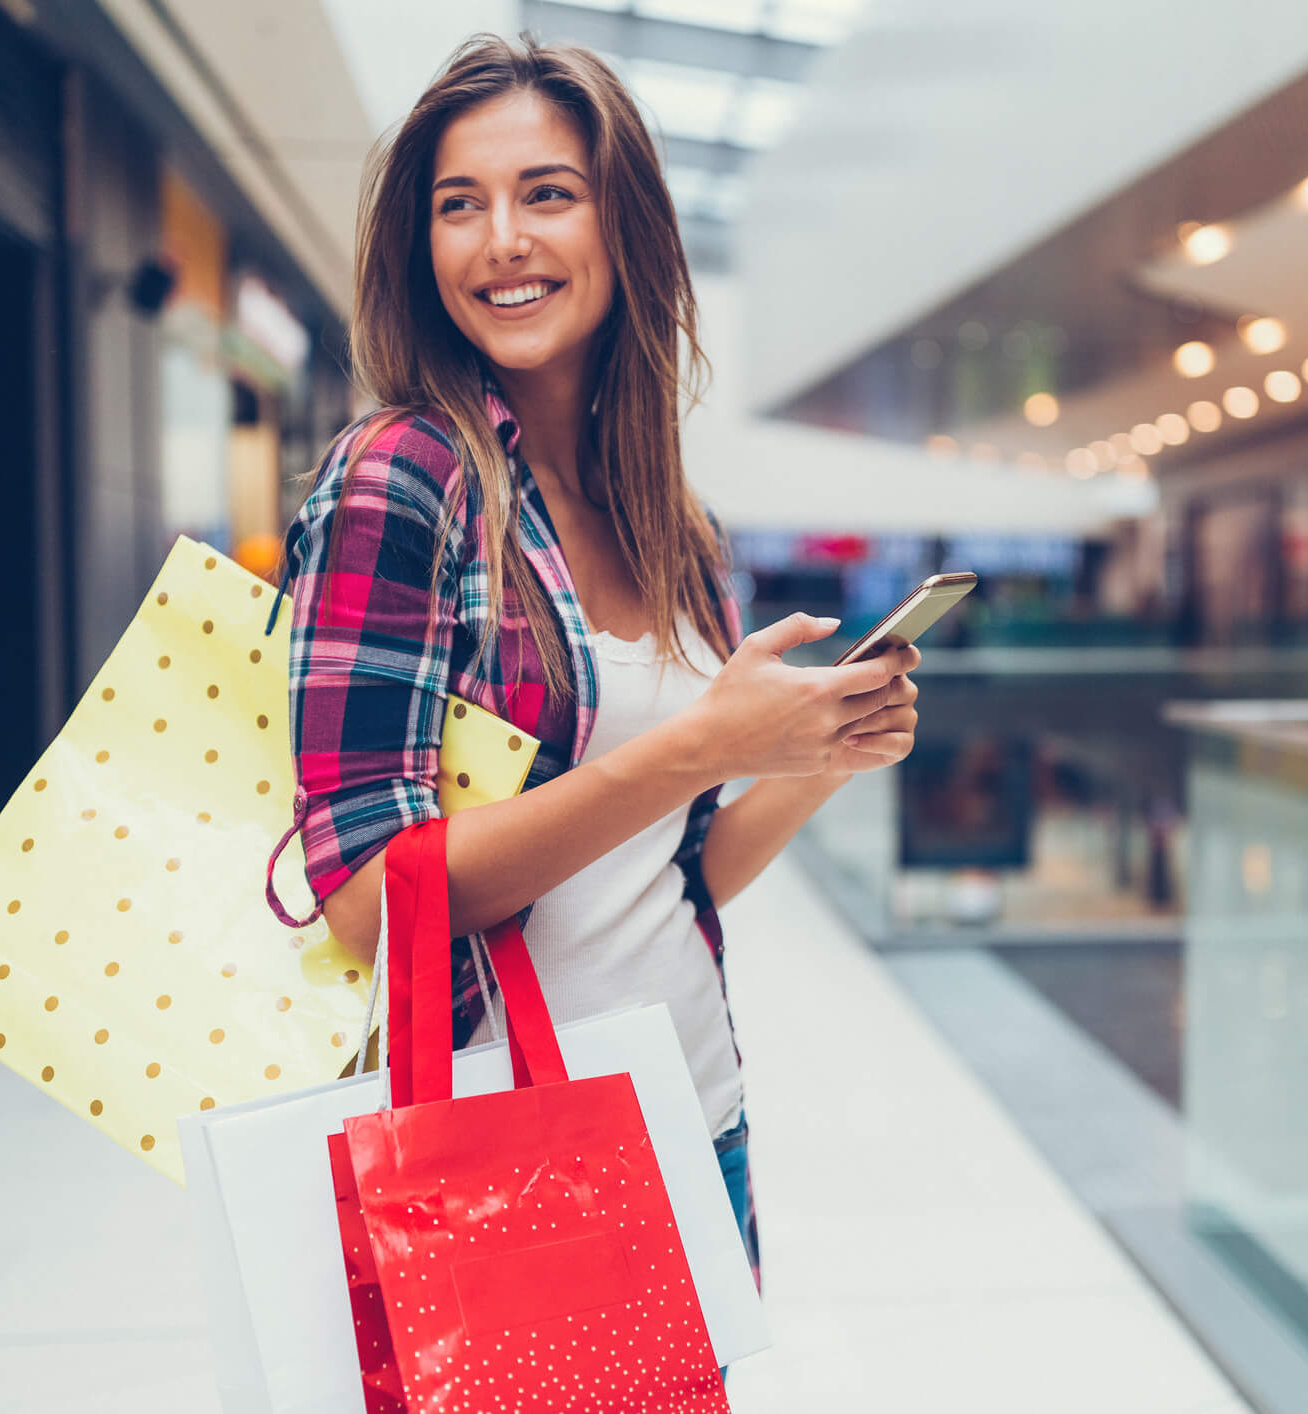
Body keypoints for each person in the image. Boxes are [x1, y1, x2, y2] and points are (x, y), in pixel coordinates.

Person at [276, 36, 921, 1282]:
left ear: (625, 227)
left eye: (547, 193)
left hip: (699, 1112)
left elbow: (667, 878)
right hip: (508, 1150)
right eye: (459, 205)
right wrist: (701, 744)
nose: (500, 239)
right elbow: (369, 899)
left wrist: (814, 756)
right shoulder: (406, 478)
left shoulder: (672, 522)